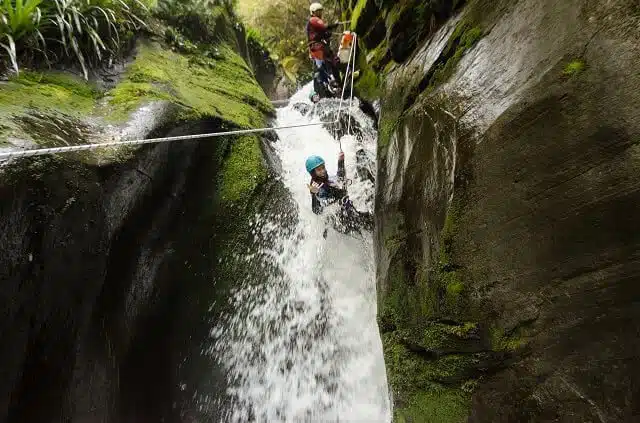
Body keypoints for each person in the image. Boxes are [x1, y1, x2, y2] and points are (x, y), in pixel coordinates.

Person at [305, 153, 373, 235]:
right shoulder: (317, 187)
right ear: (313, 173)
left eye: (323, 168)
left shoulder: (327, 180)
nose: (323, 171)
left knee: (368, 219)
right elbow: (317, 210)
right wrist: (314, 195)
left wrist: (340, 162)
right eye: (319, 170)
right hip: (342, 221)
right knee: (368, 222)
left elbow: (340, 178)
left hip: (348, 214)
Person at [306, 3, 341, 88]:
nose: (320, 13)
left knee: (334, 61)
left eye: (320, 11)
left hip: (319, 46)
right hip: (317, 47)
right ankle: (332, 78)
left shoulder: (315, 22)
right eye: (318, 12)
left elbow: (324, 33)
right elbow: (323, 26)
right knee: (328, 59)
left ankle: (338, 81)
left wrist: (329, 32)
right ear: (313, 13)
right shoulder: (313, 20)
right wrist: (332, 26)